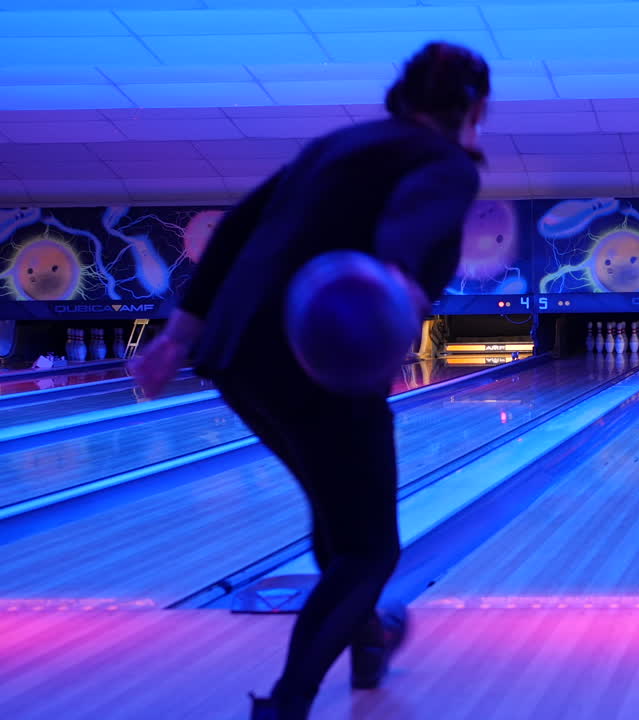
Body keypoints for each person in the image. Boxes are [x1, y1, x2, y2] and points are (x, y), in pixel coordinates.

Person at [128, 42, 490, 720]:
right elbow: (408, 225)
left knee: (339, 522)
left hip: (238, 357)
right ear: (473, 108)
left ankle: (370, 643)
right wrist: (395, 283)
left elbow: (237, 224)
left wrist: (177, 335)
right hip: (323, 356)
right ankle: (287, 703)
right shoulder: (446, 165)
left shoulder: (335, 144)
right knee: (369, 548)